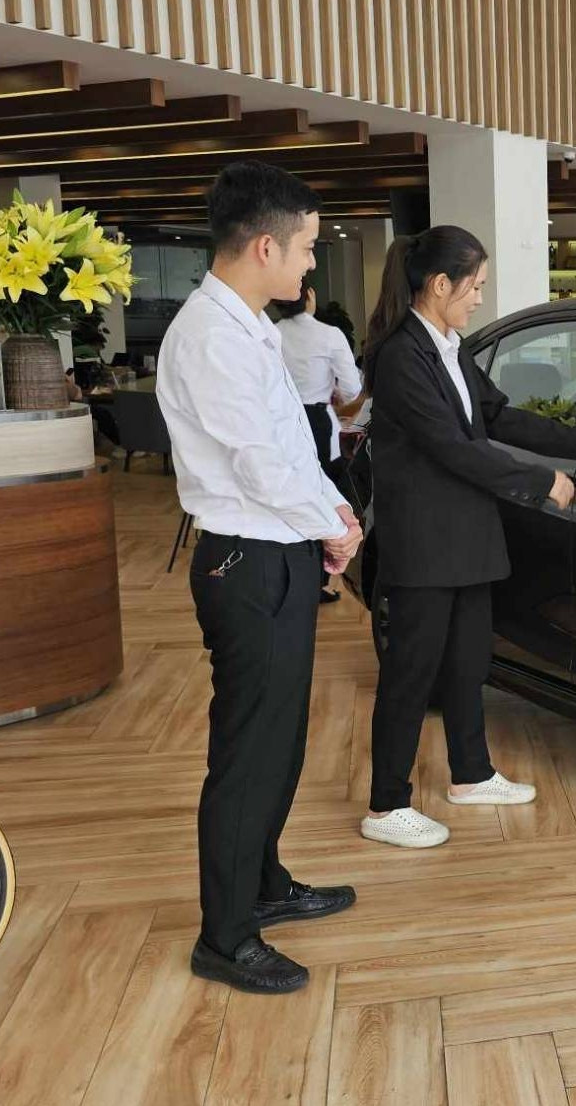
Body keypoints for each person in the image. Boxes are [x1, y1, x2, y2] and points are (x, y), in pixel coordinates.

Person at [154, 161, 363, 995]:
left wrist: (331, 516)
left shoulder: (250, 326)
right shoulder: (210, 336)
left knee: (280, 741)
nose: (312, 263)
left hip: (279, 550)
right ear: (266, 246)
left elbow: (291, 450)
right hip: (246, 561)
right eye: (308, 247)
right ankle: (225, 935)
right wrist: (331, 524)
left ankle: (264, 884)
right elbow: (256, 465)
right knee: (248, 753)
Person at [360, 225, 576, 848]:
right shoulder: (399, 356)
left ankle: (471, 774)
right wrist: (541, 480)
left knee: (467, 661)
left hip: (468, 533)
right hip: (425, 543)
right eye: (474, 286)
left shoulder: (449, 346)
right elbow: (450, 446)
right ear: (439, 284)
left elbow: (496, 415)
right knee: (411, 674)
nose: (480, 298)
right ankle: (386, 805)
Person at [275, 284, 363, 602]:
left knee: (290, 494)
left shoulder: (270, 333)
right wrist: (333, 390)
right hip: (318, 422)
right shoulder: (329, 335)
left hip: (280, 422)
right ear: (310, 296)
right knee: (323, 496)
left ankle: (292, 576)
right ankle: (318, 579)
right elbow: (352, 389)